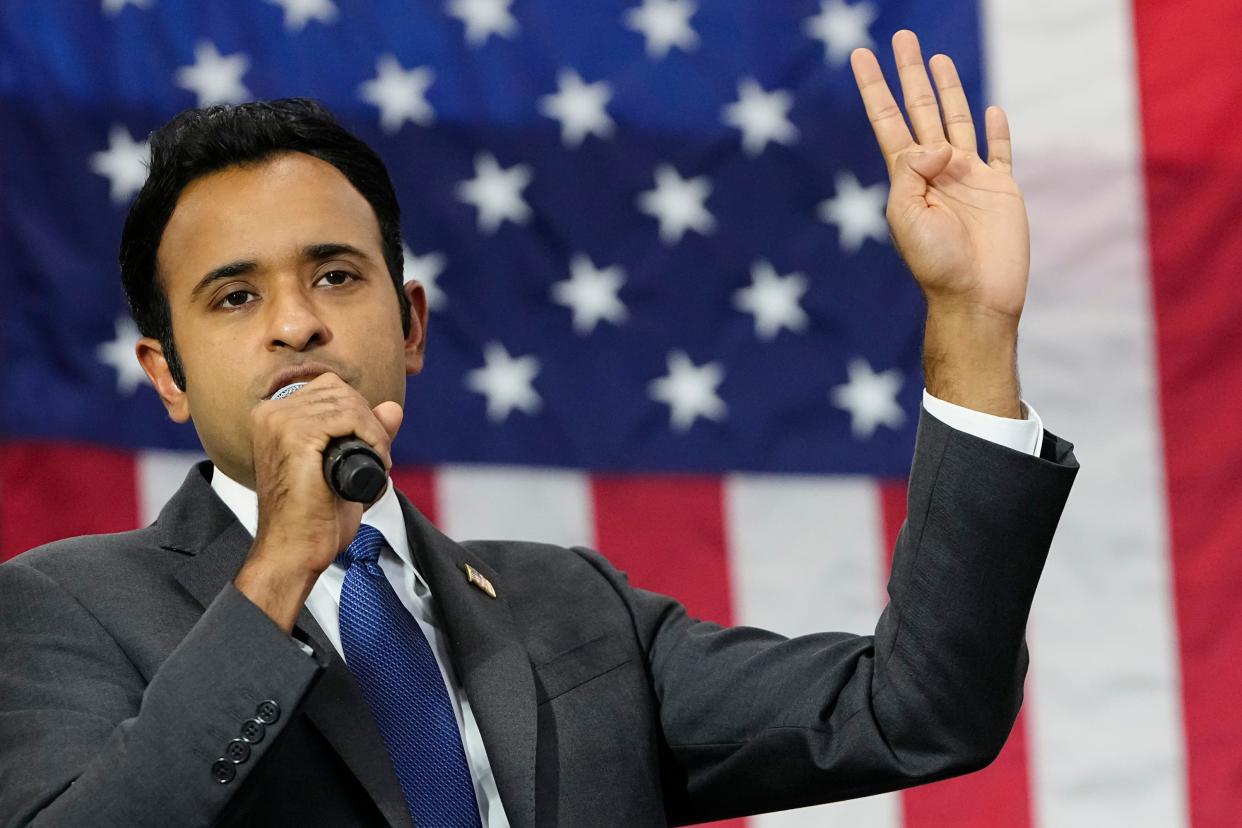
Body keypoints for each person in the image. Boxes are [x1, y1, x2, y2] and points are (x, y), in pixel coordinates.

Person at [0, 30, 1077, 827]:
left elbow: (921, 708)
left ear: (410, 325)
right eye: (234, 298)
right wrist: (281, 567)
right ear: (168, 375)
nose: (297, 324)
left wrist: (972, 328)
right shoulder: (61, 609)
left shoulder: (578, 611)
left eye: (336, 274)